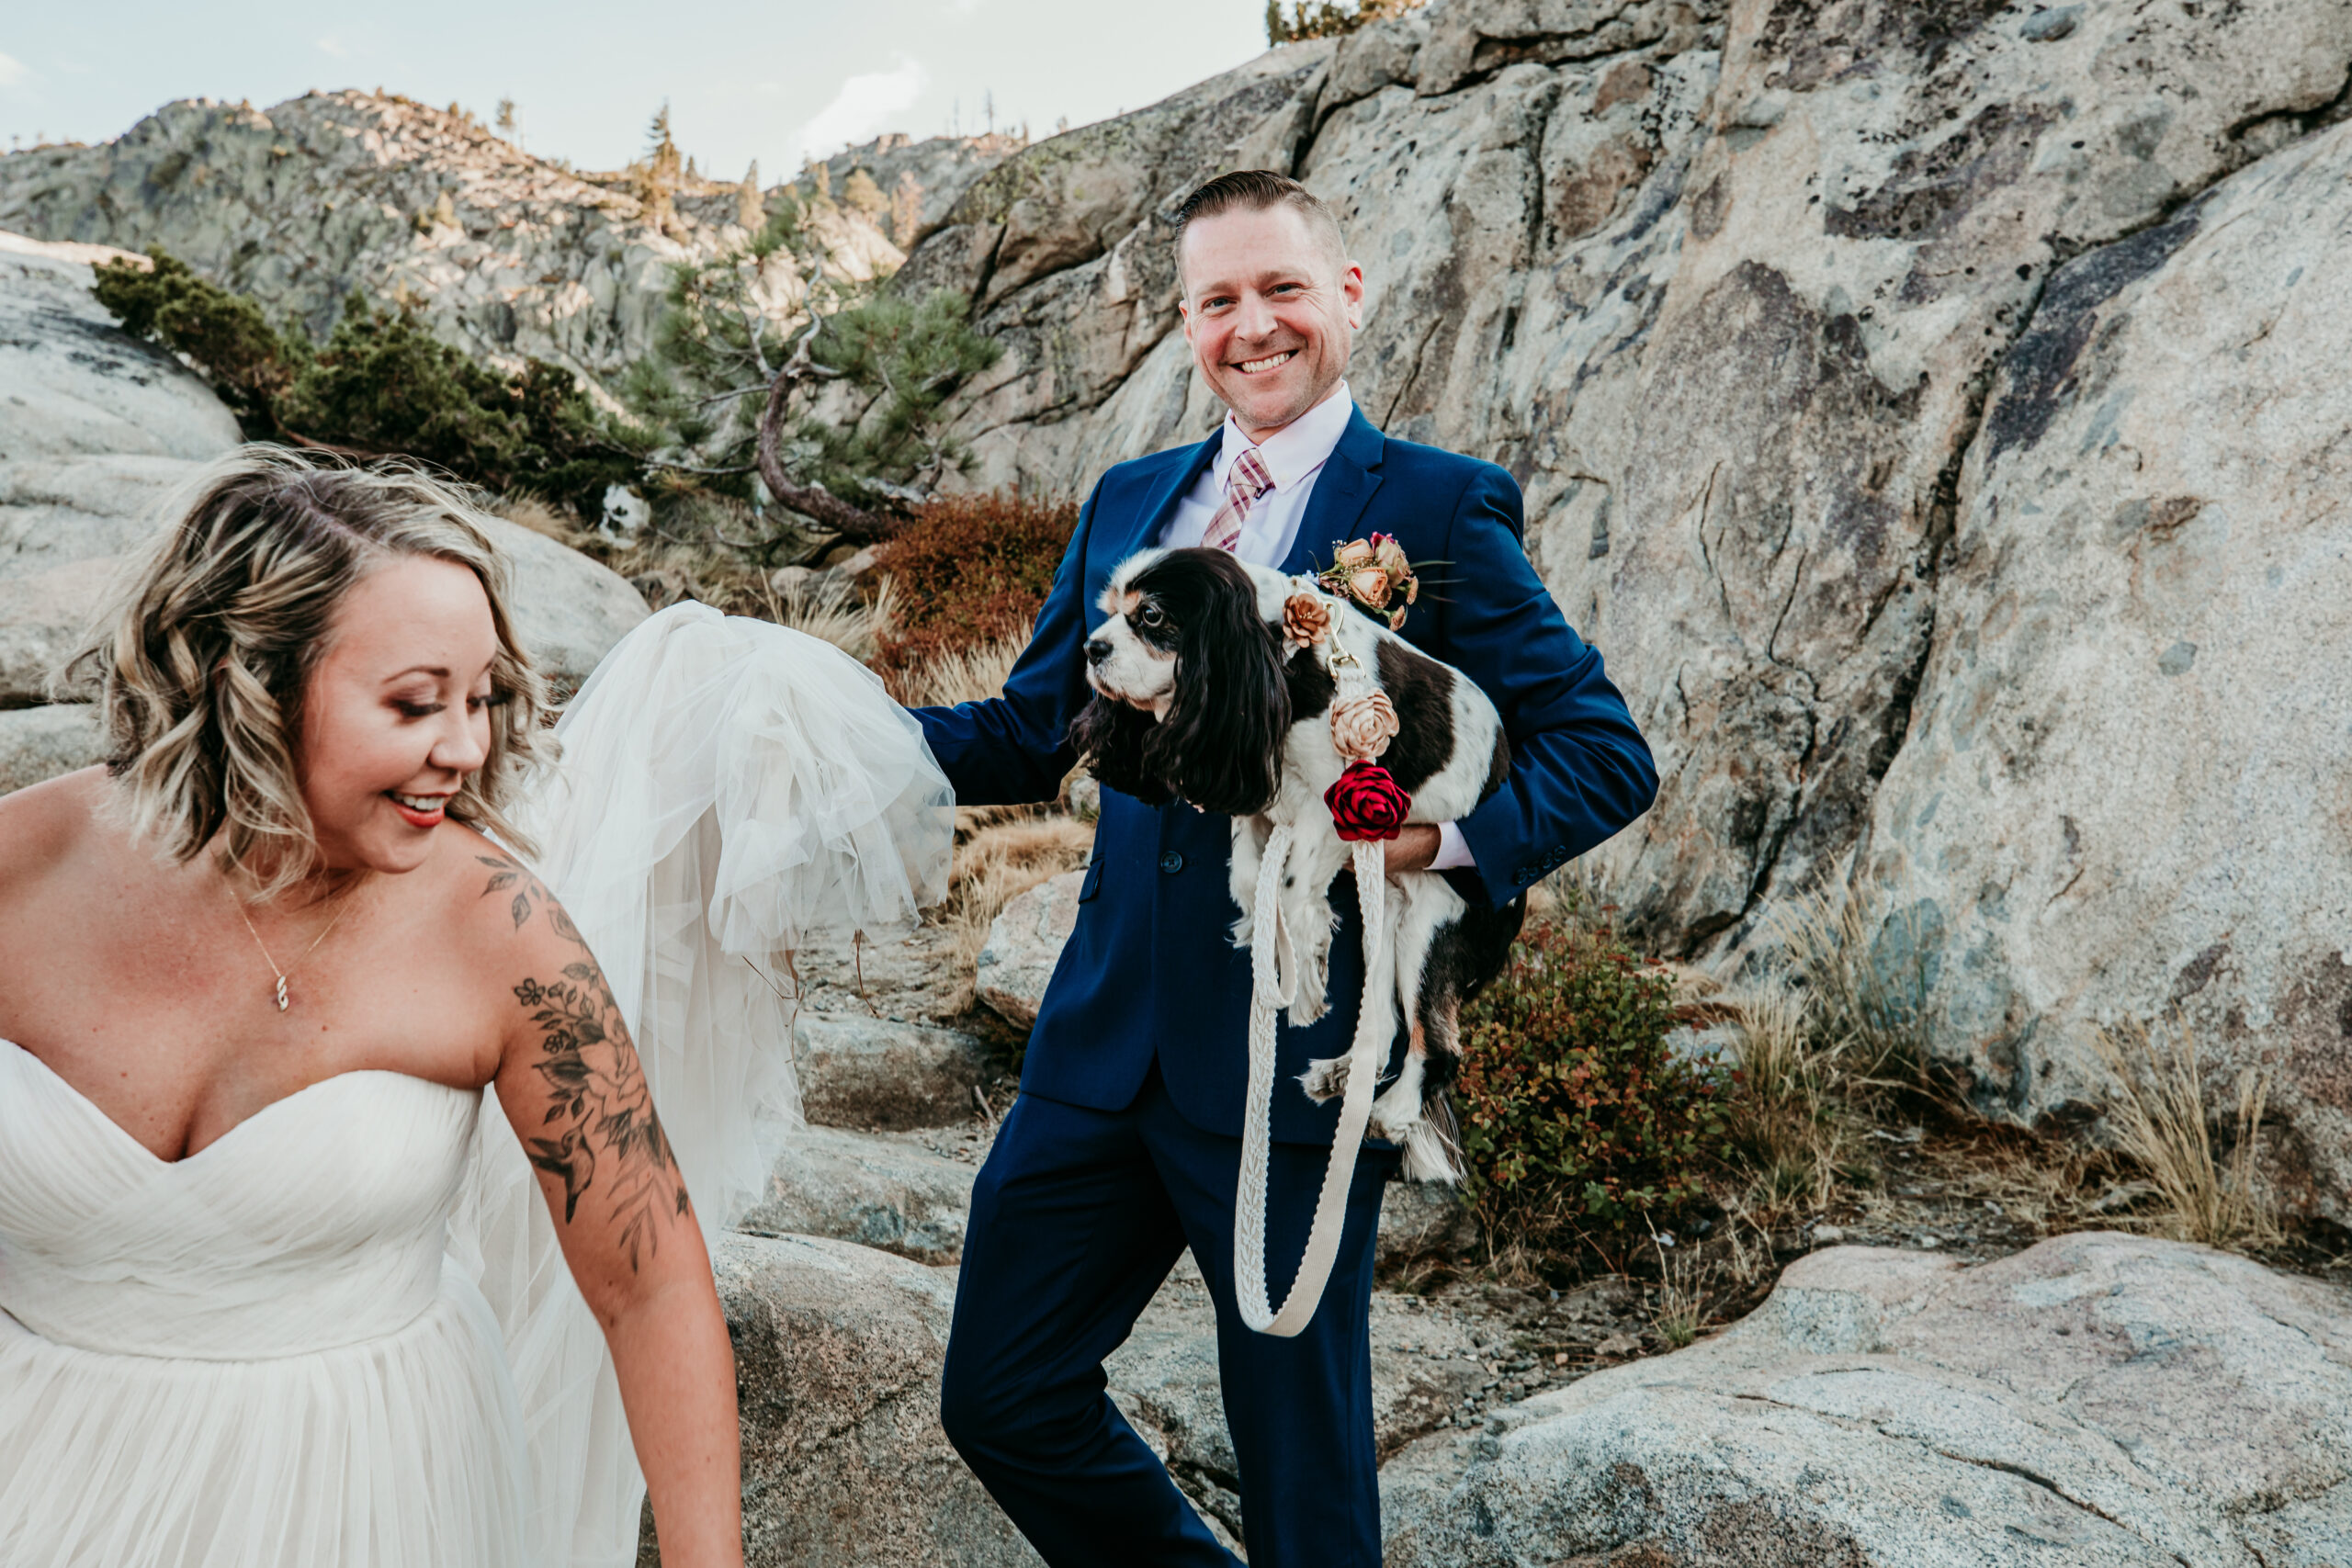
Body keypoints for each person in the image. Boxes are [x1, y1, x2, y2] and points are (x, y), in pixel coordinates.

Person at [0, 450, 956, 1567]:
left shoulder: (500, 933)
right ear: (248, 681)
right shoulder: (21, 869)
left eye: (483, 699)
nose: (465, 750)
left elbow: (647, 1284)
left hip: (365, 1491)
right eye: (415, 704)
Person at [916, 171, 1658, 1565]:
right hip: (1098, 1037)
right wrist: (837, 739)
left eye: (1282, 290)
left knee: (1303, 1476)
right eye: (1218, 301)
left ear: (1349, 296)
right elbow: (1033, 728)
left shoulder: (1430, 510)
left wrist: (1430, 838)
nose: (1252, 327)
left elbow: (1603, 751)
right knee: (1002, 1394)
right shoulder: (1135, 499)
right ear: (1185, 325)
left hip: (1296, 1048)